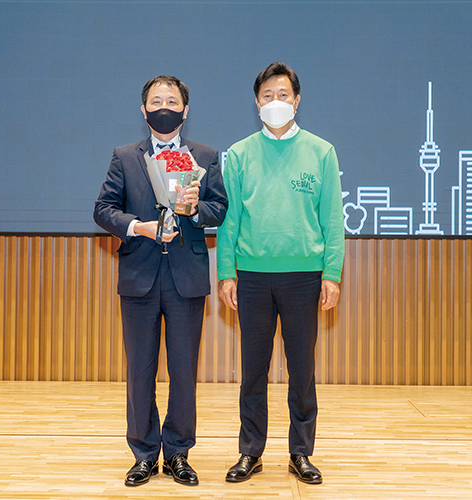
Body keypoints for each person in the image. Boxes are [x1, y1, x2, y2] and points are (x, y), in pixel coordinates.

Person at [93, 75, 227, 487]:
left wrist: (195, 210)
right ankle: (144, 454)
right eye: (156, 100)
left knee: (184, 372)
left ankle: (179, 454)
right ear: (143, 109)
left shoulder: (204, 156)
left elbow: (220, 208)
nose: (163, 107)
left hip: (186, 278)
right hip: (139, 277)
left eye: (171, 101)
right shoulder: (124, 156)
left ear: (185, 110)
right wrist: (138, 227)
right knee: (140, 370)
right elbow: (103, 209)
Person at [216, 62, 344, 485]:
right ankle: (250, 452)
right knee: (253, 370)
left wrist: (332, 274)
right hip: (252, 276)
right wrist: (227, 271)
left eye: (283, 94)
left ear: (297, 100)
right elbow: (229, 220)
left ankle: (300, 452)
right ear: (257, 103)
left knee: (301, 371)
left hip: (304, 276)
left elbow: (333, 218)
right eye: (268, 95)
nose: (276, 102)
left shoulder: (321, 151)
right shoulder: (239, 154)